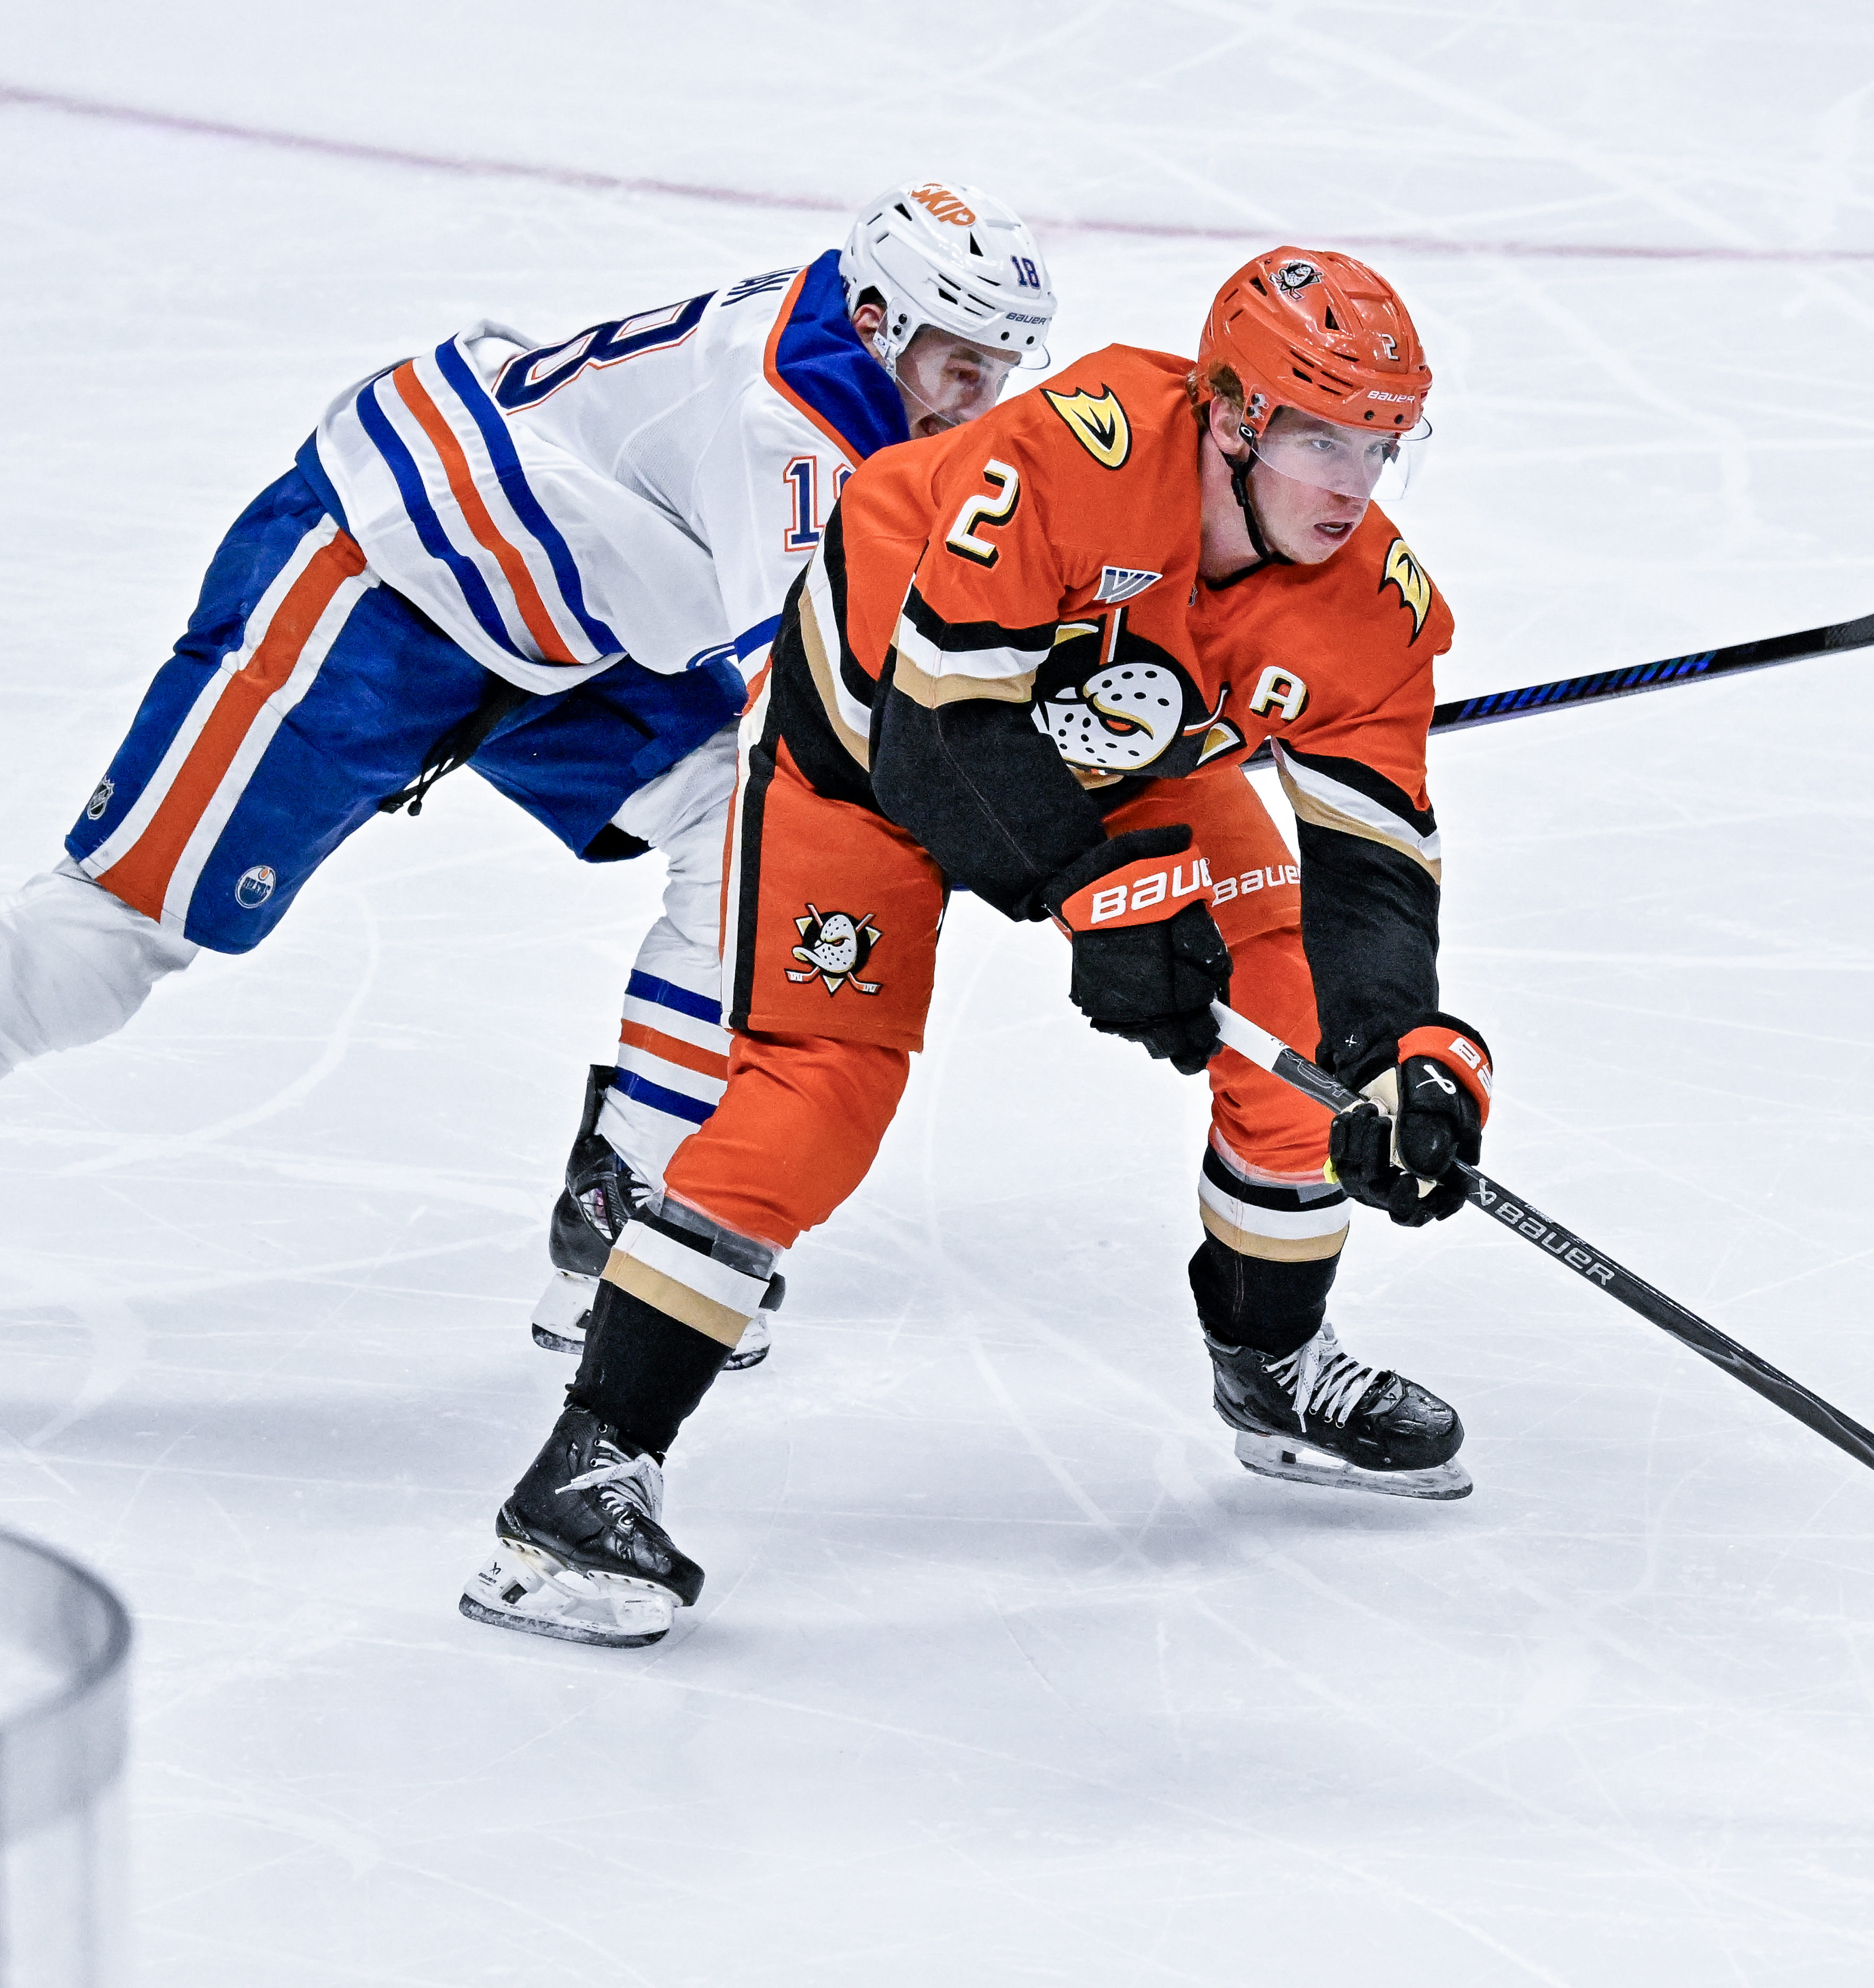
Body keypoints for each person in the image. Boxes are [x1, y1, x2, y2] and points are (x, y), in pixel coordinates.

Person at [0, 183, 1057, 1364]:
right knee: (101, 944)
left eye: (999, 369)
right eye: (956, 363)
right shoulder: (795, 430)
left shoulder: (858, 374)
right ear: (877, 321)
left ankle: (624, 1215)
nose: (977, 398)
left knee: (734, 828)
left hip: (567, 608)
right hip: (380, 579)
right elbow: (821, 704)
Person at [462, 248, 1496, 1649]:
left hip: (1110, 749)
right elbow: (941, 753)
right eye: (1323, 440)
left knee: (1303, 1009)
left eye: (1380, 447)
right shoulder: (1084, 456)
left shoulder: (1373, 606)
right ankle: (585, 1474)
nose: (1351, 485)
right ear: (1238, 416)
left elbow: (1373, 871)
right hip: (874, 742)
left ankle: (1273, 1360)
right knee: (819, 1097)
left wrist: (1411, 1054)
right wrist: (1109, 902)